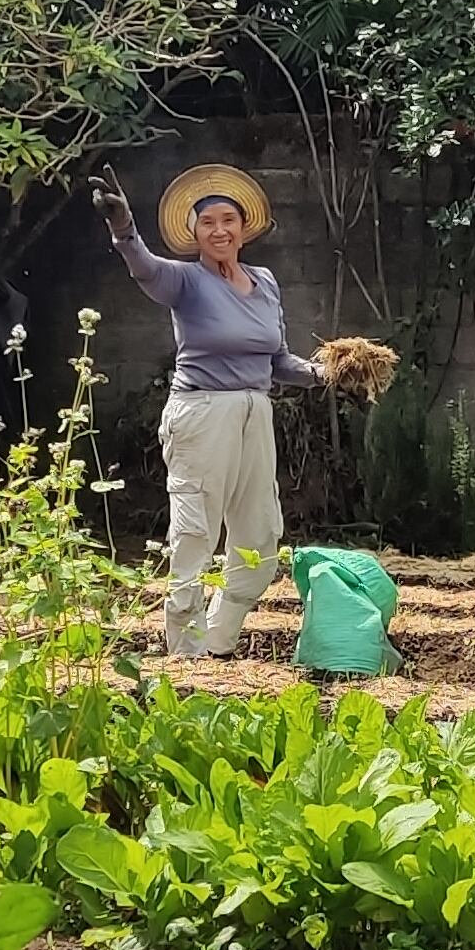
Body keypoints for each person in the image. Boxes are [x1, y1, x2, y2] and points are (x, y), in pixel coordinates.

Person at [92, 162, 324, 660]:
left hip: (254, 415)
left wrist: (325, 374)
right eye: (207, 223)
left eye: (228, 220)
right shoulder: (185, 281)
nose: (219, 230)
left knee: (259, 534)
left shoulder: (264, 282)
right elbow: (145, 269)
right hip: (201, 414)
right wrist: (123, 229)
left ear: (244, 228)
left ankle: (217, 642)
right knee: (195, 531)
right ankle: (185, 651)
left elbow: (277, 359)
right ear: (194, 233)